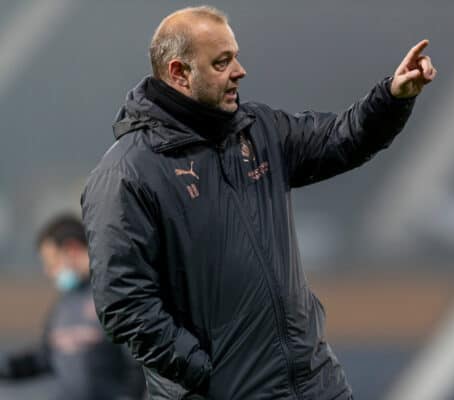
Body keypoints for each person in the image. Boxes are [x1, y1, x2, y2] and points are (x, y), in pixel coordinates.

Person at [81, 5, 436, 400]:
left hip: (316, 386)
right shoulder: (127, 173)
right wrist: (205, 373)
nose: (240, 70)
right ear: (180, 73)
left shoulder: (258, 130)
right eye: (222, 62)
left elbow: (339, 138)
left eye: (235, 56)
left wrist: (390, 98)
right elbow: (123, 304)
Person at [0, 214, 146, 400]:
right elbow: (45, 357)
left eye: (51, 263)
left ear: (71, 249)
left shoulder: (114, 295)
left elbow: (137, 361)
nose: (48, 272)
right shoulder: (64, 305)